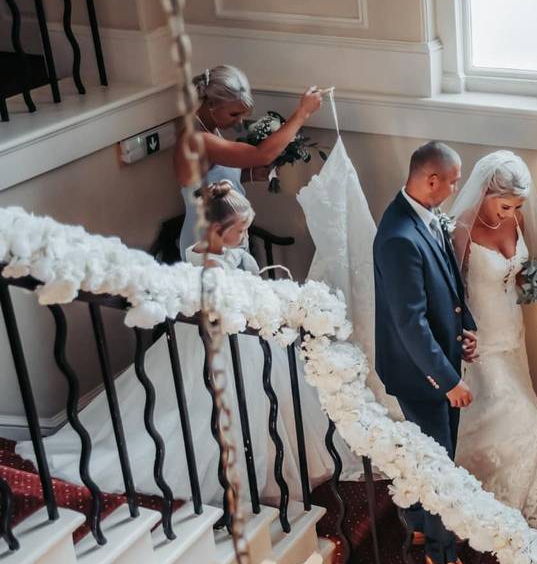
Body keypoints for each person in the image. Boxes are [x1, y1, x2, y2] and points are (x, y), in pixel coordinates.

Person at [19, 182, 357, 509]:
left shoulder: (233, 254)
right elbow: (220, 306)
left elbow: (251, 282)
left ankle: (279, 467)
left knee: (268, 397)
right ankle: (250, 477)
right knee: (230, 403)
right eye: (240, 230)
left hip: (249, 333)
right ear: (216, 230)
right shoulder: (206, 265)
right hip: (220, 340)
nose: (245, 237)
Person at [372, 141, 480, 564]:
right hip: (421, 375)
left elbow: (450, 282)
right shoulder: (398, 235)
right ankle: (442, 556)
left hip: (438, 358)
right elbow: (409, 322)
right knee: (439, 463)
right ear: (431, 179)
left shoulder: (423, 216)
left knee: (429, 452)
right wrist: (448, 380)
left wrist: (466, 330)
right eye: (453, 180)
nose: (457, 187)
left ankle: (417, 521)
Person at [447, 150, 537, 533]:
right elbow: (449, 290)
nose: (509, 213)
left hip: (513, 333)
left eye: (517, 206)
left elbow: (521, 275)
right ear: (485, 193)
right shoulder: (461, 227)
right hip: (481, 341)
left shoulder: (518, 218)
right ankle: (498, 506)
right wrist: (459, 334)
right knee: (531, 423)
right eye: (504, 204)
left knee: (489, 422)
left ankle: (493, 501)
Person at [173, 64, 325, 258]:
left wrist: (249, 175)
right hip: (207, 241)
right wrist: (303, 112)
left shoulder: (210, 131)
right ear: (211, 104)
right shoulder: (197, 140)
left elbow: (209, 184)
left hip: (226, 235)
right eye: (234, 114)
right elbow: (261, 155)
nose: (238, 122)